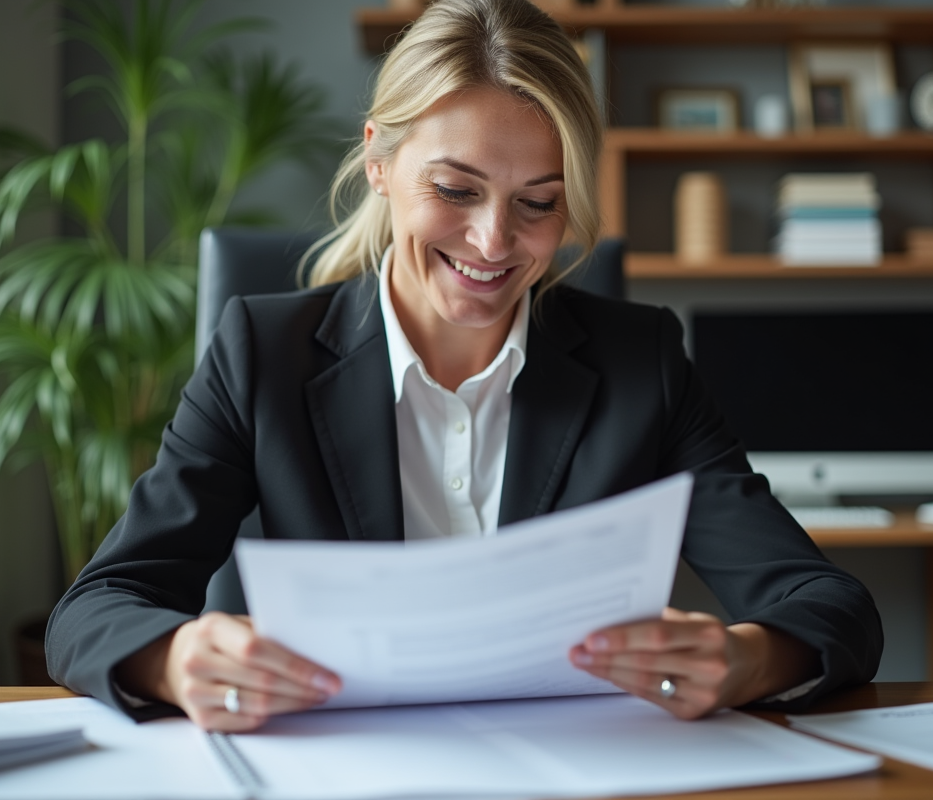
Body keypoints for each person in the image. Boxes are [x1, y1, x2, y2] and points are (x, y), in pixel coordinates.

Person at [46, 0, 882, 732]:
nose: (492, 242)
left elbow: (831, 605)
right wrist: (174, 658)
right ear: (379, 164)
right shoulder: (260, 356)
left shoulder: (642, 364)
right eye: (455, 189)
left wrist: (746, 659)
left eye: (538, 202)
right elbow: (95, 608)